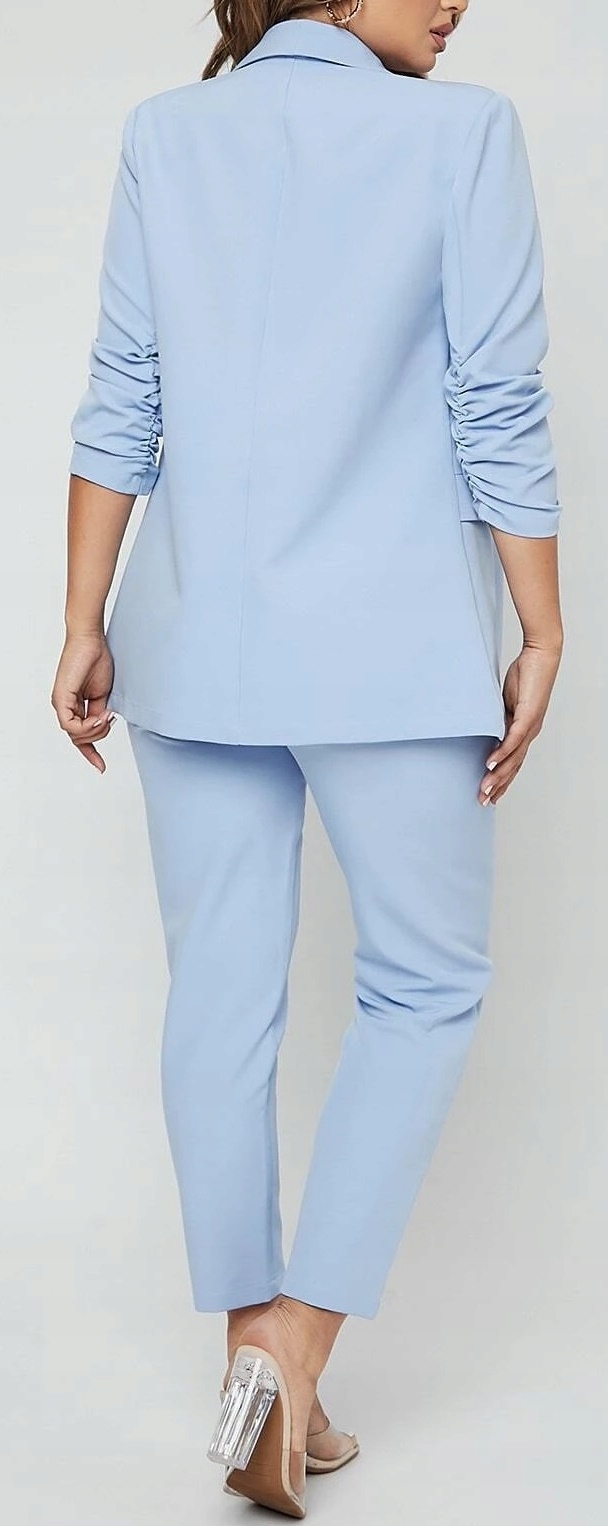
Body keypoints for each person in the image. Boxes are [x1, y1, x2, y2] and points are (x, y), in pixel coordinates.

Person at [51, 0, 564, 1516]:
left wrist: (82, 617)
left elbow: (123, 392)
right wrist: (542, 624)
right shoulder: (462, 135)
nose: (459, 2)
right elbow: (497, 396)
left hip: (190, 642)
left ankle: (251, 1369)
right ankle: (296, 1348)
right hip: (393, 652)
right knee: (425, 986)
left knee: (219, 993)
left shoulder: (167, 135)